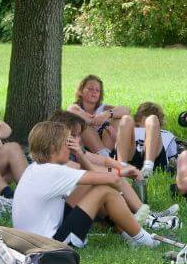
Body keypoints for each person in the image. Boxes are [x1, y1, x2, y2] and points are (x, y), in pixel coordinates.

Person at [13, 121, 160, 250]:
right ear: (53, 147)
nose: (71, 147)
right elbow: (113, 180)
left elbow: (91, 177)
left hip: (33, 239)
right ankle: (144, 240)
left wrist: (81, 155)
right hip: (50, 245)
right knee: (105, 191)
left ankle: (128, 234)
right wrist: (121, 172)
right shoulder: (55, 171)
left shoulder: (36, 168)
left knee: (88, 186)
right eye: (68, 143)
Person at [68, 75, 129, 156]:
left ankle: (106, 156)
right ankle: (104, 157)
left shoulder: (104, 108)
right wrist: (105, 125)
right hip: (84, 145)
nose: (94, 92)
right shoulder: (75, 107)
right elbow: (86, 119)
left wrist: (107, 114)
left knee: (117, 119)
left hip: (106, 144)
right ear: (81, 91)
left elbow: (126, 111)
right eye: (90, 89)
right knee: (84, 125)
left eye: (98, 90)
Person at [116, 101, 178, 176]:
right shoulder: (129, 129)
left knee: (129, 119)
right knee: (126, 119)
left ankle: (147, 167)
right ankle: (123, 167)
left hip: (152, 160)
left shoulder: (165, 134)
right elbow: (173, 158)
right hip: (136, 157)